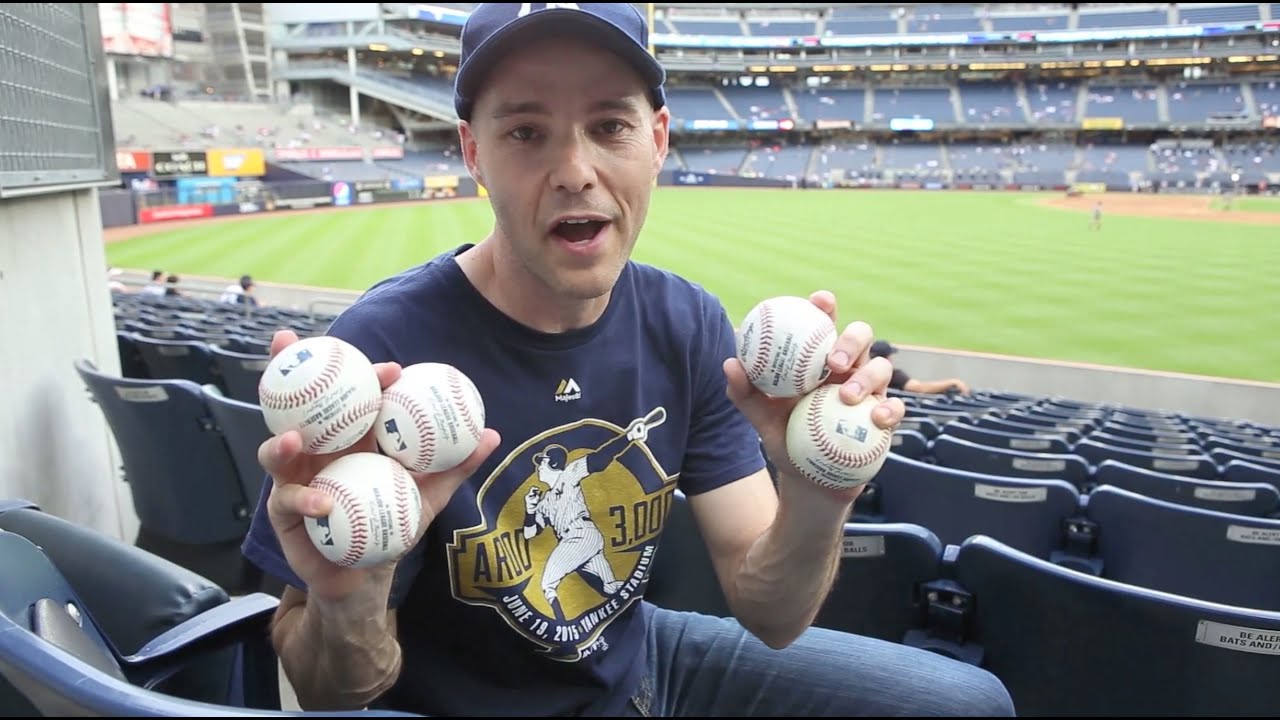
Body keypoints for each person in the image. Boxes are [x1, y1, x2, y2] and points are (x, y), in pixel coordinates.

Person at [241, 4, 1014, 717]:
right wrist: (348, 607)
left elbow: (771, 616)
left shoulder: (687, 322)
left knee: (963, 704)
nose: (575, 169)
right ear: (473, 152)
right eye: (525, 133)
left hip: (640, 662)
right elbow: (331, 689)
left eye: (610, 125)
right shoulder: (375, 354)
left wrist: (817, 494)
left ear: (659, 141)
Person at [871, 340, 972, 396]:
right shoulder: (894, 375)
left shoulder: (867, 372)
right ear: (888, 357)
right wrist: (952, 382)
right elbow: (921, 388)